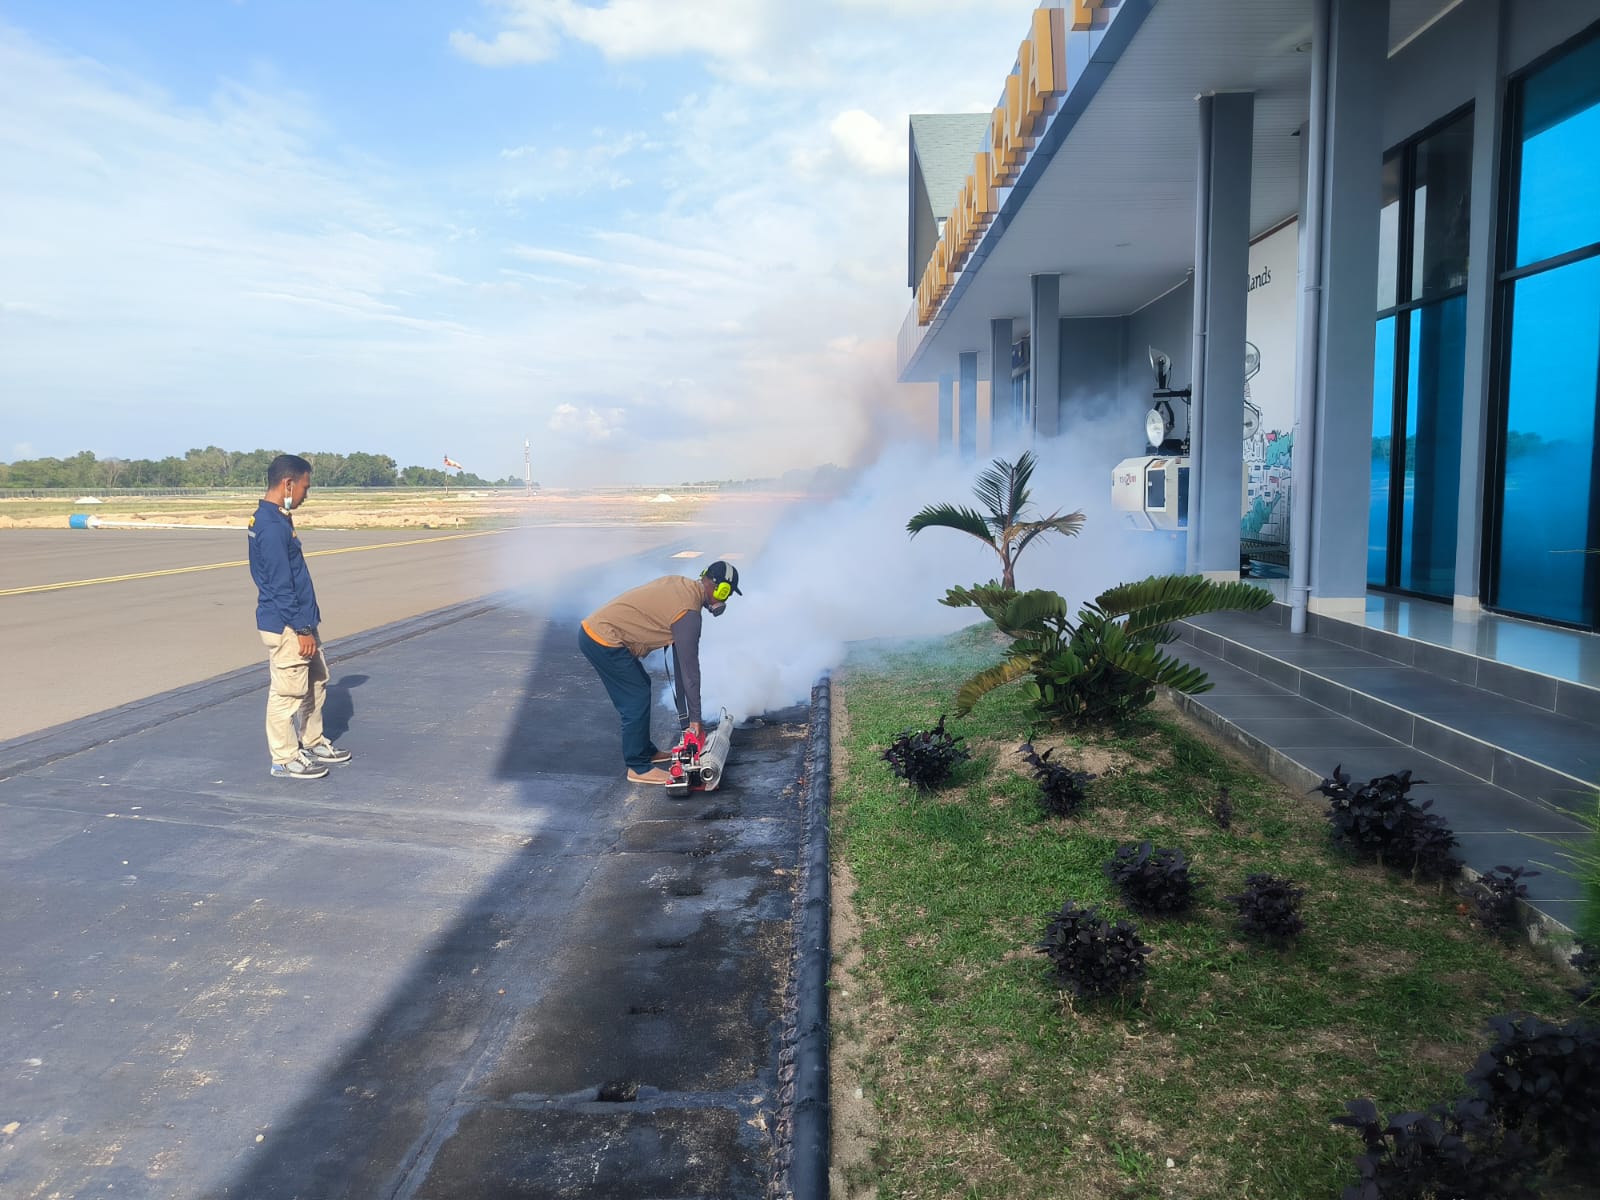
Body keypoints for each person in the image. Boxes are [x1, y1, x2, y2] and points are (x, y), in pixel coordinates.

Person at [580, 560, 741, 785]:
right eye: (726, 594)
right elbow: (690, 670)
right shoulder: (689, 613)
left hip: (597, 632)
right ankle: (637, 767)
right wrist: (695, 721)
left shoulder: (685, 587)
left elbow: (680, 662)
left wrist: (688, 721)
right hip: (602, 639)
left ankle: (645, 752)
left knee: (641, 686)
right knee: (635, 698)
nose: (724, 600)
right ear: (717, 588)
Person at [247, 454, 352, 780]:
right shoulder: (270, 526)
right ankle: (284, 757)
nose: (306, 494)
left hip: (301, 621)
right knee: (287, 693)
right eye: (305, 487)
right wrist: (302, 628)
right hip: (289, 625)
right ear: (288, 483)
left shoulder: (277, 518)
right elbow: (281, 585)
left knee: (315, 682)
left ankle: (312, 739)